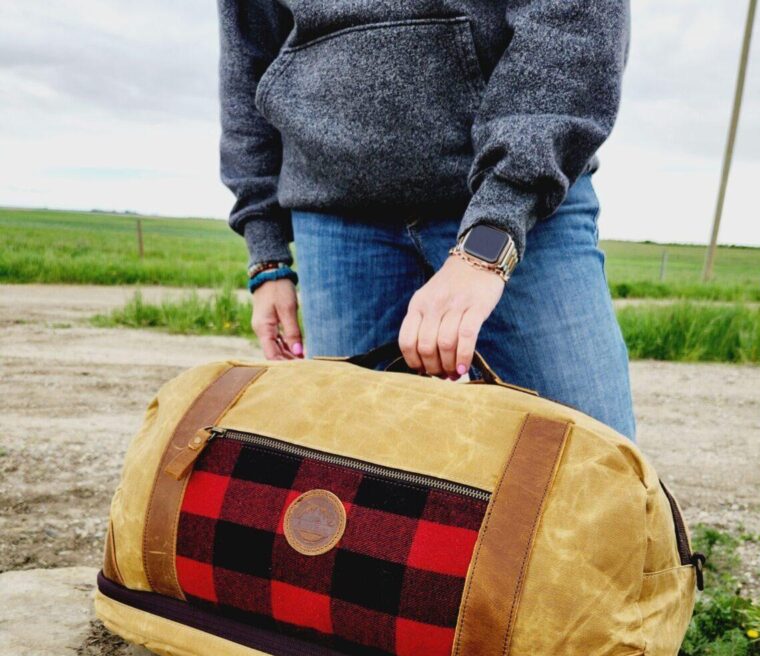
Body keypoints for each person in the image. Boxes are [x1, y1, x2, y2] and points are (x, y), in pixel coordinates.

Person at [217, 2, 636, 440]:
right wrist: (265, 253)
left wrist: (496, 226)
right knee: (355, 472)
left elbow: (574, 19)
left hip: (524, 203)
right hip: (334, 217)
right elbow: (246, 53)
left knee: (590, 460)